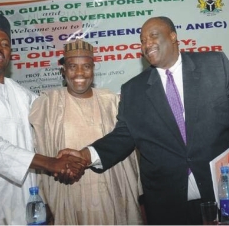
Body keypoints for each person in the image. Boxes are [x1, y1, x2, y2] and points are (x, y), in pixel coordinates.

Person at [58, 16, 229, 224]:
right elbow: (122, 136)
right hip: (169, 202)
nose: (147, 44)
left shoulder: (214, 65)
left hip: (222, 189)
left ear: (173, 36)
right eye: (142, 40)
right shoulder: (134, 90)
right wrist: (85, 155)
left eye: (153, 36)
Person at [0, 13, 87, 225]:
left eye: (4, 43)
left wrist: (68, 161)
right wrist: (52, 163)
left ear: (10, 53)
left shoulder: (23, 96)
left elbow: (48, 132)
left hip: (22, 208)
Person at [28, 39, 143, 224]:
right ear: (63, 70)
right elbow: (40, 153)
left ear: (93, 69)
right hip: (67, 195)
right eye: (73, 66)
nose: (80, 73)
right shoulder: (47, 104)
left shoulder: (111, 101)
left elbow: (126, 149)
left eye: (86, 66)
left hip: (111, 194)